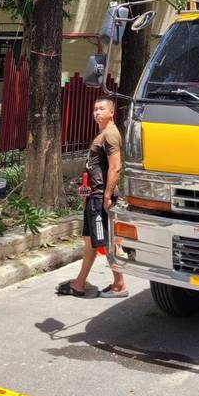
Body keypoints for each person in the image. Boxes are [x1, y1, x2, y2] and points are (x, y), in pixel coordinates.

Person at [56, 97, 128, 299]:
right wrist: (85, 192)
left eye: (101, 109)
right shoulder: (103, 134)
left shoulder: (111, 135)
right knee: (90, 241)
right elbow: (93, 169)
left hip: (100, 198)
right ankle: (79, 284)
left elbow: (115, 167)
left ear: (111, 112)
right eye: (95, 109)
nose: (96, 112)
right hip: (93, 196)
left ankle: (119, 284)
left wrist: (106, 196)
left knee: (104, 241)